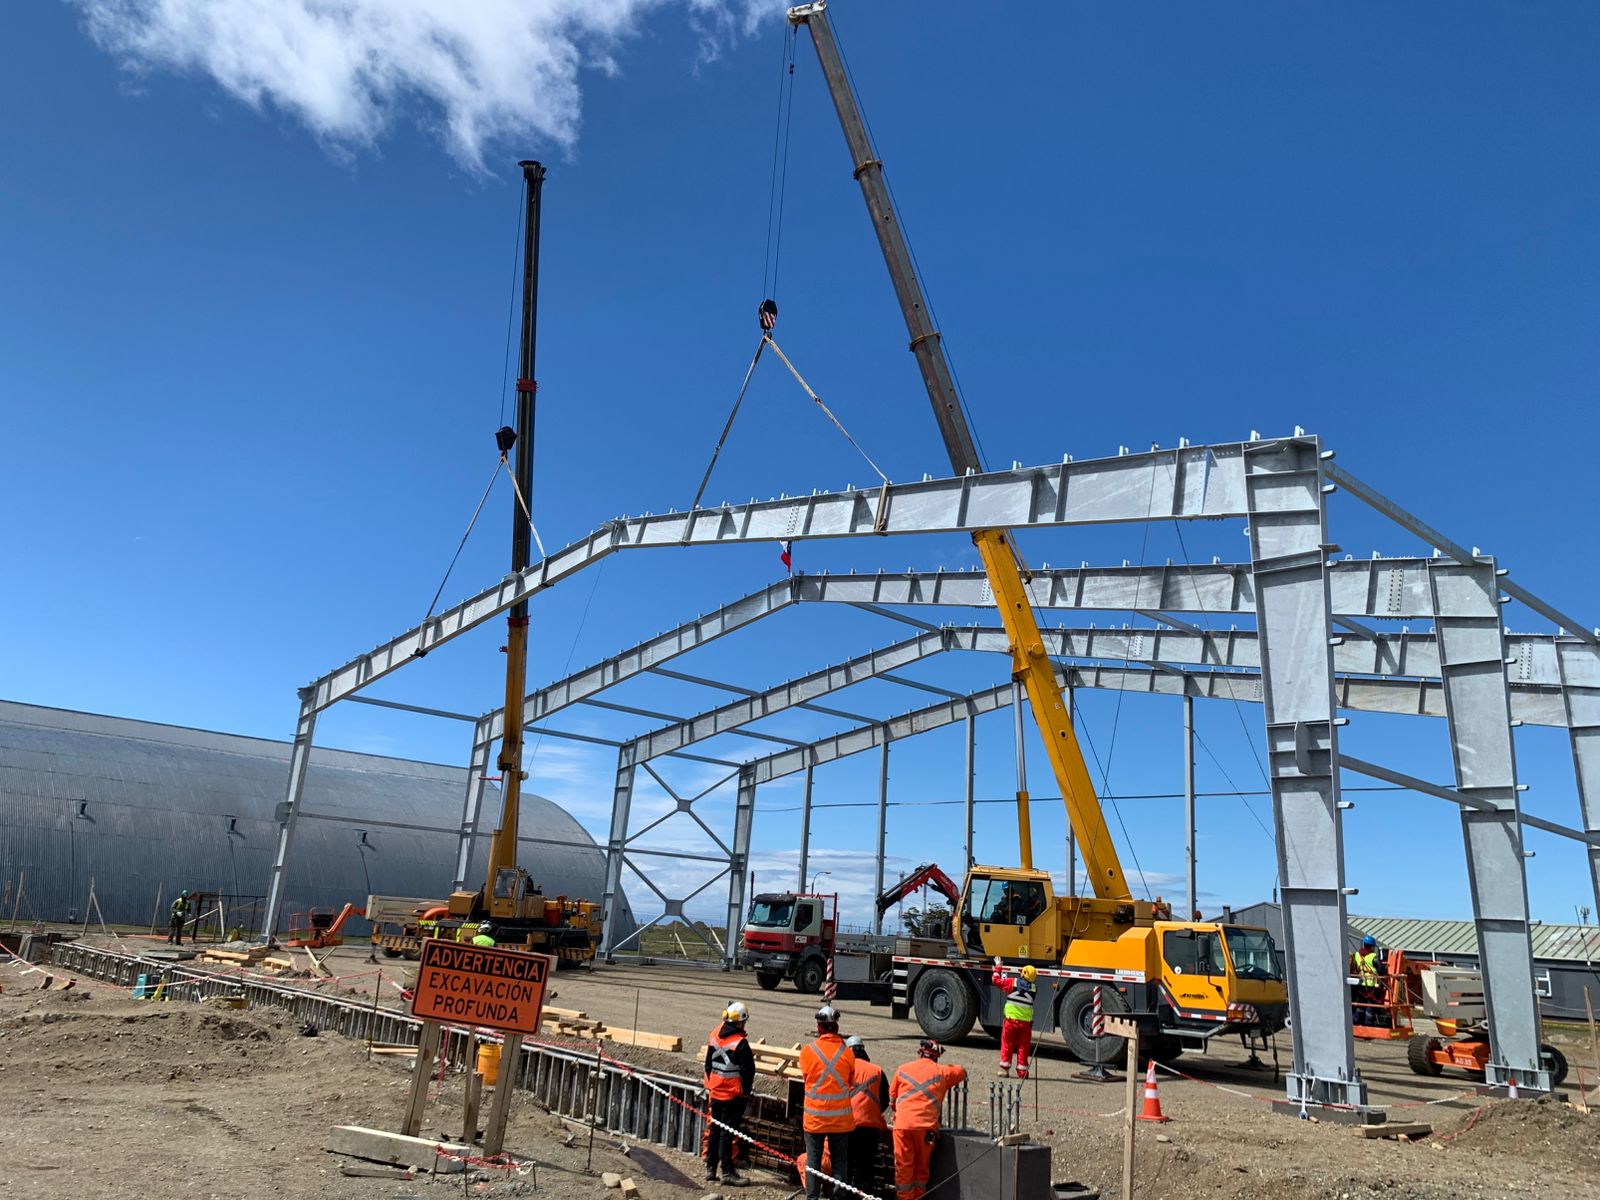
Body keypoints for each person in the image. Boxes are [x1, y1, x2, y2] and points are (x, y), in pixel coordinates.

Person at [889, 1039, 966, 1200]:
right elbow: (961, 1071)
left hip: (903, 1126)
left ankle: (905, 1197)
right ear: (936, 1056)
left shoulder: (902, 1069)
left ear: (920, 1053)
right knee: (921, 1168)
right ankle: (918, 1196)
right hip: (925, 1129)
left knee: (903, 1166)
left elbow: (892, 1102)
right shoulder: (942, 1072)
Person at [798, 1003, 855, 1200]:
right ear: (836, 1027)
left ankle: (812, 1197)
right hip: (840, 1120)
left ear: (819, 1027)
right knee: (840, 1161)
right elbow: (851, 1082)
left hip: (815, 1119)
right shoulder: (847, 1052)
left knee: (813, 1160)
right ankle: (839, 1197)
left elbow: (806, 1078)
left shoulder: (808, 1051)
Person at [703, 1000, 755, 1188]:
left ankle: (710, 1168)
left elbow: (708, 1064)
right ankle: (727, 1172)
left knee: (715, 1130)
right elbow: (748, 1071)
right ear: (740, 1022)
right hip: (732, 1095)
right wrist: (745, 1092)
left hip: (716, 1092)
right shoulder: (740, 1043)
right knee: (727, 1133)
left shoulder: (715, 1035)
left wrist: (713, 1084)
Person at [845, 1034, 888, 1199]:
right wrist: (872, 1111)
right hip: (870, 1127)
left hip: (846, 1125)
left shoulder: (844, 1068)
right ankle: (865, 1196)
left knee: (846, 1166)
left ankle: (844, 1196)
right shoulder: (877, 1070)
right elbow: (885, 1099)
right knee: (866, 1168)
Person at [991, 958, 1037, 1079]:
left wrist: (998, 966)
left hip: (1010, 1022)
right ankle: (1022, 1072)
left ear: (1023, 973)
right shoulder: (1033, 989)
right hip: (1025, 1024)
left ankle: (1004, 1069)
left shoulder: (1012, 982)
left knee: (1007, 1044)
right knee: (1023, 1047)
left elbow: (995, 980)